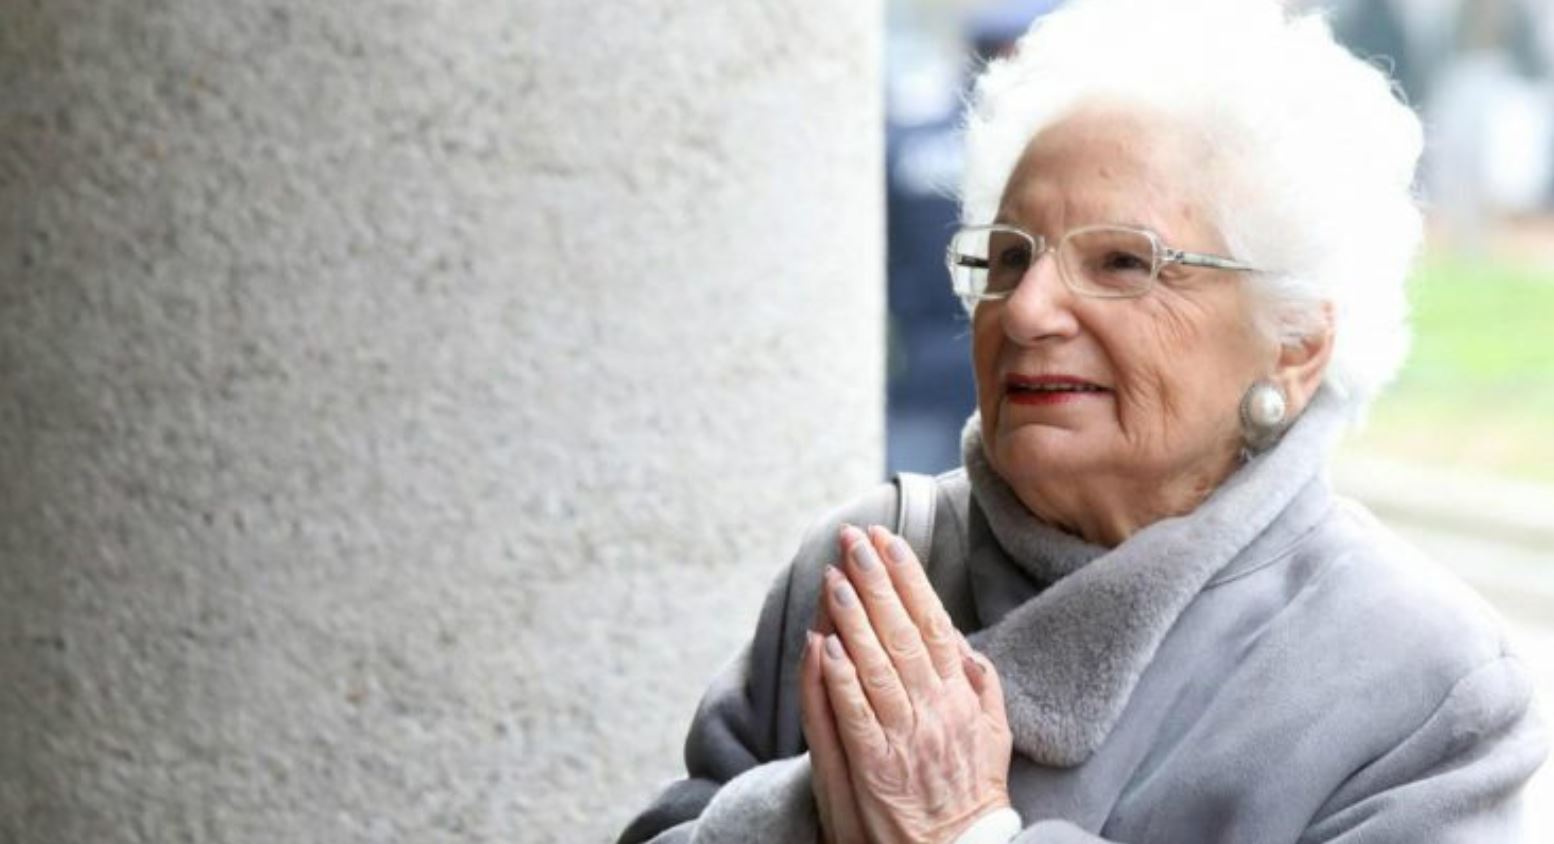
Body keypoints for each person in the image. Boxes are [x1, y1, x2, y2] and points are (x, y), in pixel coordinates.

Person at [617, 0, 1550, 841]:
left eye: (1122, 263)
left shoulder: (1423, 681)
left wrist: (965, 833)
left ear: (1295, 343)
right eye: (1010, 257)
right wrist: (813, 812)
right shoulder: (870, 562)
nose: (1027, 312)